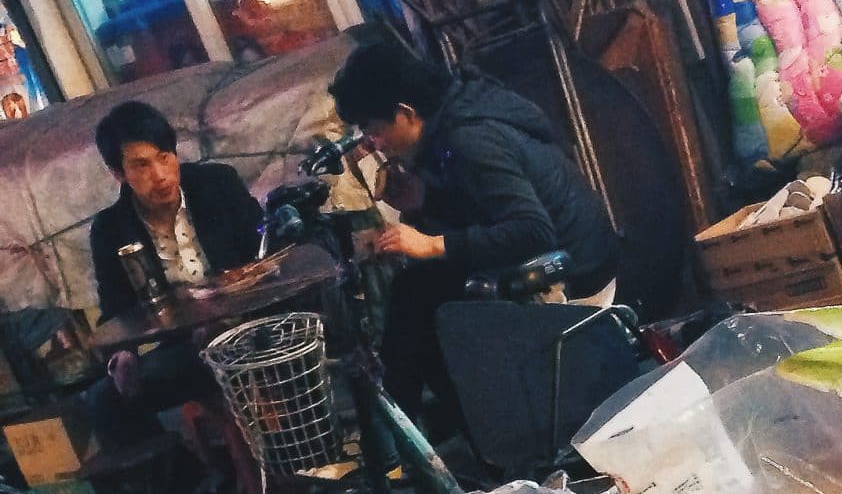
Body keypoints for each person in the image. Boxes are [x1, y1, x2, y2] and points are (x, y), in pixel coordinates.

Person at [326, 39, 618, 419]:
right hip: (566, 253)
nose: (374, 144)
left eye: (374, 131)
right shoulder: (458, 111)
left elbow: (531, 230)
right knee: (415, 291)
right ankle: (433, 436)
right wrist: (424, 204)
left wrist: (433, 245)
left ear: (405, 112)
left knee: (420, 302)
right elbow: (483, 206)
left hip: (573, 269)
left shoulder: (468, 139)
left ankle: (432, 439)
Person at [88, 100, 263, 444]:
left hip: (246, 326)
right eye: (141, 165)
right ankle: (188, 486)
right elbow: (115, 312)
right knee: (102, 401)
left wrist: (227, 313)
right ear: (118, 173)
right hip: (183, 347)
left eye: (164, 156)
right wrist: (123, 356)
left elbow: (263, 254)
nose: (160, 174)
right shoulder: (110, 229)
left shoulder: (218, 184)